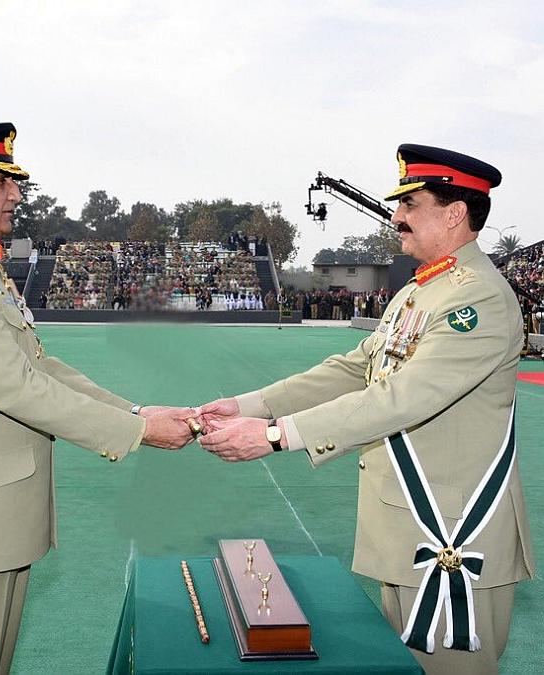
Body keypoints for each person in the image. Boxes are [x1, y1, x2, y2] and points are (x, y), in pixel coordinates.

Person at [197, 144, 535, 675]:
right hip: (409, 528)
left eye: (410, 204)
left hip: (450, 538)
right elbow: (356, 367)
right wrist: (250, 405)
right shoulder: (421, 290)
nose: (396, 217)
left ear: (454, 213)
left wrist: (276, 435)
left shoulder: (480, 300)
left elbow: (402, 398)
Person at [0, 122, 198, 675]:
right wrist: (139, 434)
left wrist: (133, 412)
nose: (16, 195)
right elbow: (14, 385)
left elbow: (40, 366)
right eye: (0, 182)